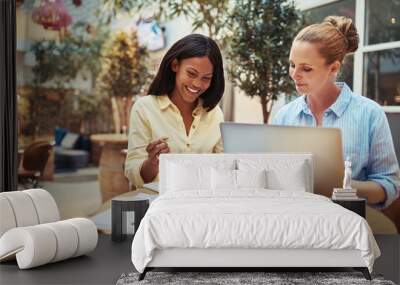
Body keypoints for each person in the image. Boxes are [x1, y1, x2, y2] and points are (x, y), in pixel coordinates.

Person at [273, 16, 399, 209]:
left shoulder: (369, 114)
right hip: (294, 217)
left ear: (333, 68)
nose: (294, 74)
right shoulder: (284, 115)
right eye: (292, 64)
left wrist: (343, 186)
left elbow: (389, 186)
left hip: (348, 221)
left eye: (306, 68)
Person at [125, 34, 225, 189]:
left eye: (206, 78)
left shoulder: (215, 114)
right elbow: (133, 171)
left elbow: (223, 168)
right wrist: (153, 163)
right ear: (175, 65)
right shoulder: (144, 108)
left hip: (203, 203)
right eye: (191, 73)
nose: (197, 84)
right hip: (158, 204)